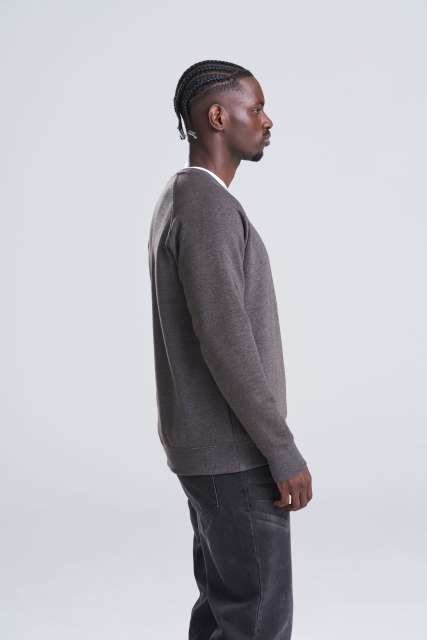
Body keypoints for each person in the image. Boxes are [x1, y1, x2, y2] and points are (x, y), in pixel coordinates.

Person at [148, 59, 313, 640]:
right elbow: (225, 343)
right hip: (236, 456)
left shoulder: (184, 198)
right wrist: (282, 451)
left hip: (214, 452)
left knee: (226, 613)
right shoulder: (206, 208)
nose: (267, 121)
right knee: (257, 622)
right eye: (256, 108)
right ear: (218, 117)